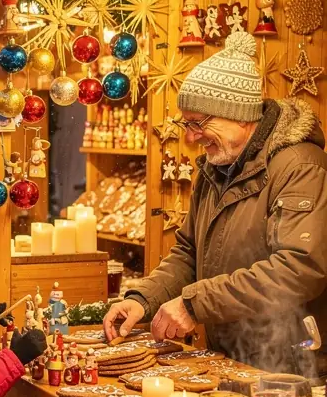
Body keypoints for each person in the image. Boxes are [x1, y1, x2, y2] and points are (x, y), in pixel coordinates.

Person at [103, 32, 327, 366]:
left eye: (198, 124)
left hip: (291, 363)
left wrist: (194, 304)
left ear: (239, 115)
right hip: (232, 355)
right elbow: (189, 254)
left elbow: (298, 269)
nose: (191, 137)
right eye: (186, 124)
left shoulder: (300, 167)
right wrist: (143, 299)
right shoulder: (216, 167)